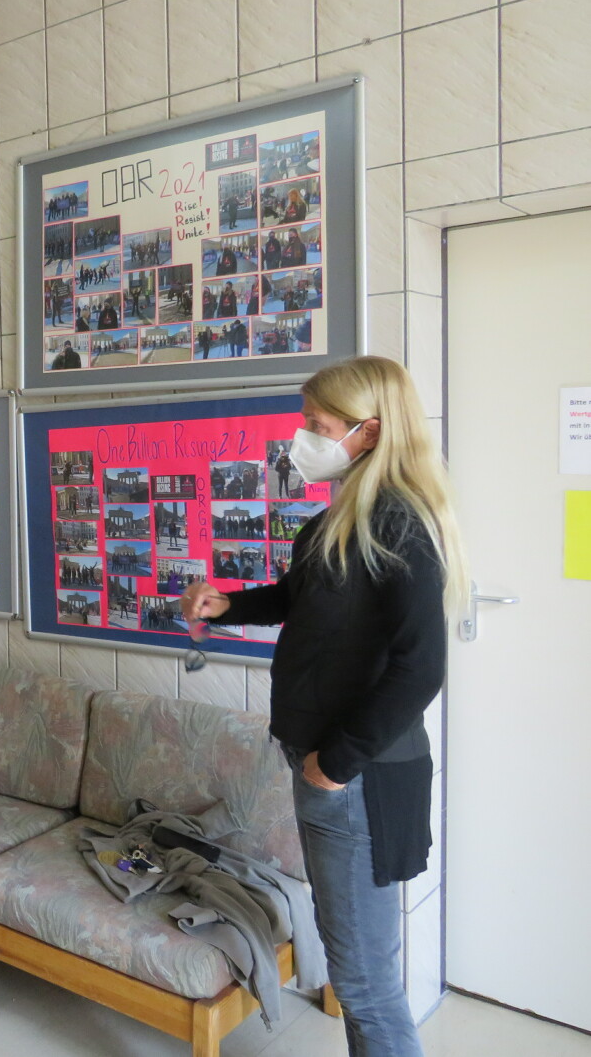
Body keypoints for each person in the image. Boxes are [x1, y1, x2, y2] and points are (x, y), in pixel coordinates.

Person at [181, 356, 467, 1057]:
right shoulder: (346, 512)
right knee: (360, 968)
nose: (302, 437)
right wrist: (229, 605)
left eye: (319, 425)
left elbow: (420, 668)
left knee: (364, 983)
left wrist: (333, 764)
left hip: (357, 779)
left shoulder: (399, 521)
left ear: (368, 432)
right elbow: (303, 598)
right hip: (331, 772)